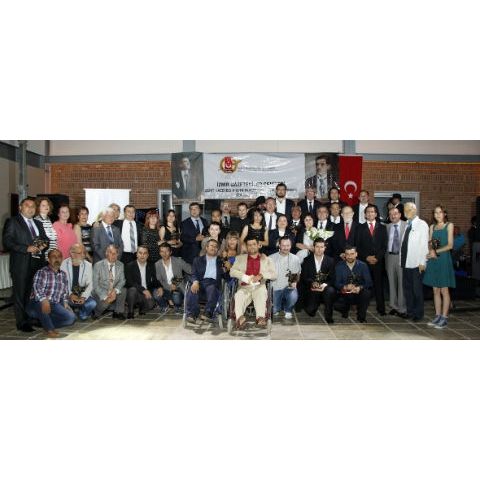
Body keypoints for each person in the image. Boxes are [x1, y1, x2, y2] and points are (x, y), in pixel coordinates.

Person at [2, 197, 49, 332]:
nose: (30, 208)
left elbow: (45, 239)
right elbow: (7, 242)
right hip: (21, 264)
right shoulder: (13, 222)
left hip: (37, 264)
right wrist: (26, 248)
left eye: (33, 206)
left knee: (32, 293)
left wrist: (43, 245)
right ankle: (21, 322)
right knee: (20, 294)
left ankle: (30, 317)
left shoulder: (38, 223)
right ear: (20, 208)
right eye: (27, 205)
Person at [27, 248, 76, 338]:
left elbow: (64, 292)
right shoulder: (42, 272)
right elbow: (37, 288)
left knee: (71, 318)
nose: (57, 259)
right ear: (48, 259)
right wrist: (44, 300)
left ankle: (44, 323)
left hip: (54, 303)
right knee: (42, 305)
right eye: (54, 257)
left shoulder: (63, 274)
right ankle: (49, 329)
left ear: (62, 259)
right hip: (38, 302)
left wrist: (65, 304)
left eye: (59, 257)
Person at [230, 237, 277, 329]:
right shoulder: (240, 258)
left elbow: (274, 274)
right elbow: (232, 271)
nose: (252, 247)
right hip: (244, 287)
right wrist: (246, 278)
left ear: (259, 245)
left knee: (261, 293)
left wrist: (261, 275)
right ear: (246, 247)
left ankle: (260, 317)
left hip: (259, 286)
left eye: (254, 244)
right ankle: (240, 318)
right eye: (249, 245)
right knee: (238, 295)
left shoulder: (267, 260)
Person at [423, 205, 456, 329]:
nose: (438, 214)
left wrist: (435, 252)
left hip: (444, 260)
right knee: (435, 290)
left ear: (445, 213)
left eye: (440, 212)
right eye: (435, 212)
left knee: (444, 290)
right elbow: (430, 243)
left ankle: (444, 318)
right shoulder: (432, 227)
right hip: (434, 260)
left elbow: (450, 245)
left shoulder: (449, 225)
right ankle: (437, 316)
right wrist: (430, 251)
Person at [400, 202, 429, 322]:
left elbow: (424, 245)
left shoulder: (422, 224)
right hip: (405, 262)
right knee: (407, 289)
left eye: (409, 210)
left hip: (417, 263)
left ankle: (418, 313)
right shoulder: (407, 224)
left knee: (416, 290)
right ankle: (410, 311)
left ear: (415, 210)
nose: (406, 212)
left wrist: (423, 262)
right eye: (405, 210)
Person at [356, 205, 388, 316]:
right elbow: (357, 246)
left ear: (376, 214)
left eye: (372, 212)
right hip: (364, 262)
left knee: (379, 285)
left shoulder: (382, 228)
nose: (370, 213)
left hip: (378, 262)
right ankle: (361, 309)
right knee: (363, 286)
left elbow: (384, 246)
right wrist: (366, 257)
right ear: (365, 214)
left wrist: (377, 258)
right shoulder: (359, 228)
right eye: (368, 212)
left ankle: (381, 308)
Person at [185, 239, 224, 323]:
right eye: (211, 246)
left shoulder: (221, 262)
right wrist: (195, 282)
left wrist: (228, 268)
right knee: (192, 288)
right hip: (200, 282)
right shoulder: (197, 260)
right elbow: (193, 273)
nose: (213, 248)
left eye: (216, 247)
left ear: (218, 250)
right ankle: (192, 314)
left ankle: (208, 313)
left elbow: (226, 276)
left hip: (213, 284)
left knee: (212, 288)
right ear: (206, 247)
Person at [300, 238, 336, 323]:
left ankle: (329, 316)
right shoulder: (307, 260)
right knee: (310, 311)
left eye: (321, 247)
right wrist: (312, 283)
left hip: (325, 287)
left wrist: (324, 285)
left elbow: (332, 278)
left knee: (330, 291)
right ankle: (313, 306)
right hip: (312, 288)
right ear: (313, 247)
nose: (319, 249)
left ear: (325, 248)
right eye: (317, 247)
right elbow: (304, 277)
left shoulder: (330, 261)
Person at [334, 245, 373, 323]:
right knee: (337, 304)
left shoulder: (363, 265)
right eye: (347, 254)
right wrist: (345, 287)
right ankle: (344, 310)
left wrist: (359, 287)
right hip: (345, 294)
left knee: (366, 293)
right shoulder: (339, 266)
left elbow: (369, 282)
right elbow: (336, 283)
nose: (349, 256)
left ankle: (361, 316)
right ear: (344, 255)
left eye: (352, 254)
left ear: (356, 254)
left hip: (358, 293)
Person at [60, 243, 97, 321]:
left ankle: (82, 314)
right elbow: (62, 283)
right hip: (68, 296)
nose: (83, 255)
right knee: (60, 303)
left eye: (84, 253)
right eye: (80, 253)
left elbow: (90, 284)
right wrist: (70, 294)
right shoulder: (63, 264)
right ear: (71, 253)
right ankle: (72, 311)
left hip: (81, 296)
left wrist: (83, 297)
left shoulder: (88, 265)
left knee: (92, 303)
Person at [269, 236, 301, 325]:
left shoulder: (295, 258)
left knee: (293, 295)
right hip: (275, 287)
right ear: (279, 245)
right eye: (283, 245)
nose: (286, 248)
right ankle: (278, 306)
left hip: (288, 287)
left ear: (291, 246)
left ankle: (288, 309)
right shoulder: (271, 258)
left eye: (288, 245)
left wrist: (294, 283)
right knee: (274, 310)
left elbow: (296, 276)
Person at [125, 245, 162, 318]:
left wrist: (159, 287)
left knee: (151, 304)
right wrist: (143, 290)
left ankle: (141, 306)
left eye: (145, 253)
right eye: (140, 253)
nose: (142, 255)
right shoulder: (129, 266)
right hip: (135, 292)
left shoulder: (151, 265)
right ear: (136, 254)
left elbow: (154, 280)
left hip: (146, 293)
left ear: (148, 255)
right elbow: (130, 282)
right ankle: (130, 311)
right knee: (132, 290)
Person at [92, 244, 127, 319]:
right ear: (106, 253)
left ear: (117, 254)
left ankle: (118, 312)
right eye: (111, 252)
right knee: (105, 304)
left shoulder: (120, 264)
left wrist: (115, 291)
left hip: (113, 291)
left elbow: (122, 281)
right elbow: (95, 285)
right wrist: (105, 297)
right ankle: (97, 312)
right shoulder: (98, 265)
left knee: (123, 290)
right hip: (101, 291)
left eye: (115, 253)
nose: (113, 255)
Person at [155, 242, 192, 312]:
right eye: (162, 251)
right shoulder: (157, 264)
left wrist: (174, 283)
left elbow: (190, 270)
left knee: (176, 298)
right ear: (159, 253)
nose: (164, 254)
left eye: (166, 251)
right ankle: (166, 303)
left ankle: (176, 302)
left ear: (170, 252)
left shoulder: (178, 261)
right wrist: (169, 287)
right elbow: (159, 280)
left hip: (178, 286)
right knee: (156, 294)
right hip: (165, 287)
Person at [385, 207, 408, 318]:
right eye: (390, 214)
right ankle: (393, 306)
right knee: (391, 282)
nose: (393, 216)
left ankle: (402, 308)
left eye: (395, 213)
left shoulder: (406, 225)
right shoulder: (387, 227)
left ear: (400, 214)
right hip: (389, 257)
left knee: (401, 283)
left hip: (402, 257)